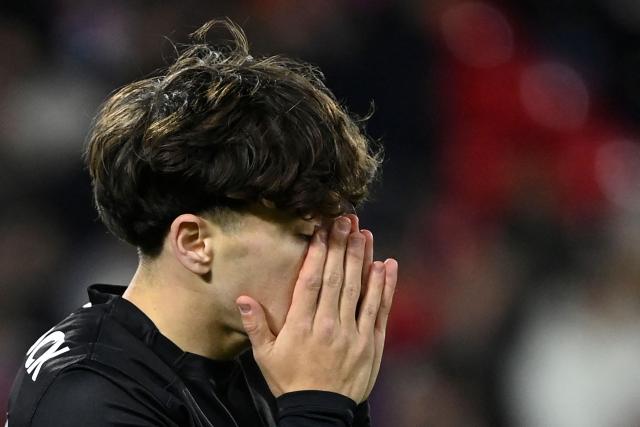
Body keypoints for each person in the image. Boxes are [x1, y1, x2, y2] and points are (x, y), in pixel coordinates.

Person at [6, 19, 398, 427]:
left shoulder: (260, 361)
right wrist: (318, 406)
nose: (335, 261)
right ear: (195, 243)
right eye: (305, 234)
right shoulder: (88, 398)